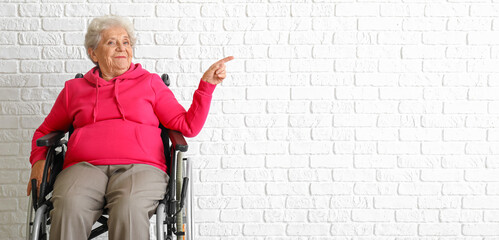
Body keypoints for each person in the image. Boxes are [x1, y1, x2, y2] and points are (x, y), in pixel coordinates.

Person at [27, 15, 233, 240]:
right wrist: (38, 161)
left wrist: (207, 87)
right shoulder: (74, 90)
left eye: (126, 42)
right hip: (83, 168)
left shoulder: (151, 83)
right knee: (69, 204)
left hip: (142, 168)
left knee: (129, 206)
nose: (121, 48)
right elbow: (44, 131)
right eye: (111, 42)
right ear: (93, 53)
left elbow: (187, 126)